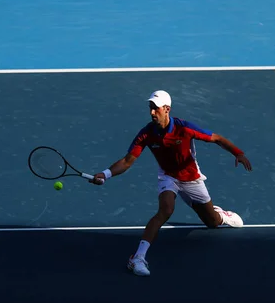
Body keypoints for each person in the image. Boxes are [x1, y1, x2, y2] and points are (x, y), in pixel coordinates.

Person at [89, 90, 252, 276]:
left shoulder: (184, 128)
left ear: (167, 109)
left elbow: (216, 138)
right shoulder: (146, 134)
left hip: (192, 179)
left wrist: (238, 153)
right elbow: (127, 161)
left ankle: (220, 214)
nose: (152, 113)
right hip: (169, 177)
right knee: (165, 210)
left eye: (155, 109)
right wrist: (106, 174)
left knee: (212, 222)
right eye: (150, 108)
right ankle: (137, 258)